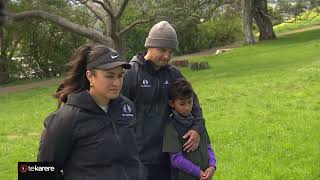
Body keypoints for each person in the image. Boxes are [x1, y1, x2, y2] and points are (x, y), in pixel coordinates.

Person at [38, 44, 146, 180]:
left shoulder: (127, 107)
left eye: (120, 76)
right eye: (109, 76)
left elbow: (132, 157)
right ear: (90, 76)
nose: (116, 83)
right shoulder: (66, 119)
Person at [121, 21, 207, 180]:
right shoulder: (130, 74)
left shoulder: (174, 75)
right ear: (149, 45)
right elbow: (116, 114)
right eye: (162, 50)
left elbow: (193, 104)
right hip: (139, 158)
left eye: (171, 51)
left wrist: (196, 128)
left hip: (170, 155)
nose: (167, 56)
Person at [163, 79, 216, 180]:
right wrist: (199, 173)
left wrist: (212, 166)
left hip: (206, 176)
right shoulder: (171, 127)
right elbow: (176, 159)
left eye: (190, 102)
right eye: (182, 104)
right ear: (172, 104)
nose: (187, 107)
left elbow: (208, 147)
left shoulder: (199, 124)